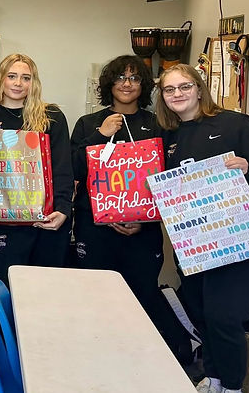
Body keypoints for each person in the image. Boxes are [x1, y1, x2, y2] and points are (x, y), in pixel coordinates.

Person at [155, 64, 249, 393]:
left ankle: (232, 386)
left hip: (238, 240)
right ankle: (214, 376)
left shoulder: (236, 125)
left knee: (225, 316)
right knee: (201, 313)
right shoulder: (168, 136)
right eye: (169, 89)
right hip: (192, 241)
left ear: (200, 88)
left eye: (184, 87)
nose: (178, 94)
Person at [70, 55, 189, 356]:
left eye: (134, 78)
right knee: (97, 295)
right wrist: (100, 135)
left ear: (144, 85)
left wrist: (145, 220)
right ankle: (99, 352)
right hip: (95, 227)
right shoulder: (88, 123)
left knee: (142, 292)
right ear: (109, 83)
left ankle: (140, 353)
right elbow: (72, 169)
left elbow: (170, 179)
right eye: (120, 77)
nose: (126, 83)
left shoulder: (159, 124)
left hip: (143, 230)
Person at [0, 54, 74, 284]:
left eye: (26, 78)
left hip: (46, 222)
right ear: (1, 79)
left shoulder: (51, 117)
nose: (18, 83)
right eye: (12, 76)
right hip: (3, 224)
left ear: (34, 82)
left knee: (45, 292)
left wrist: (63, 209)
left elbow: (63, 166)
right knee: (7, 289)